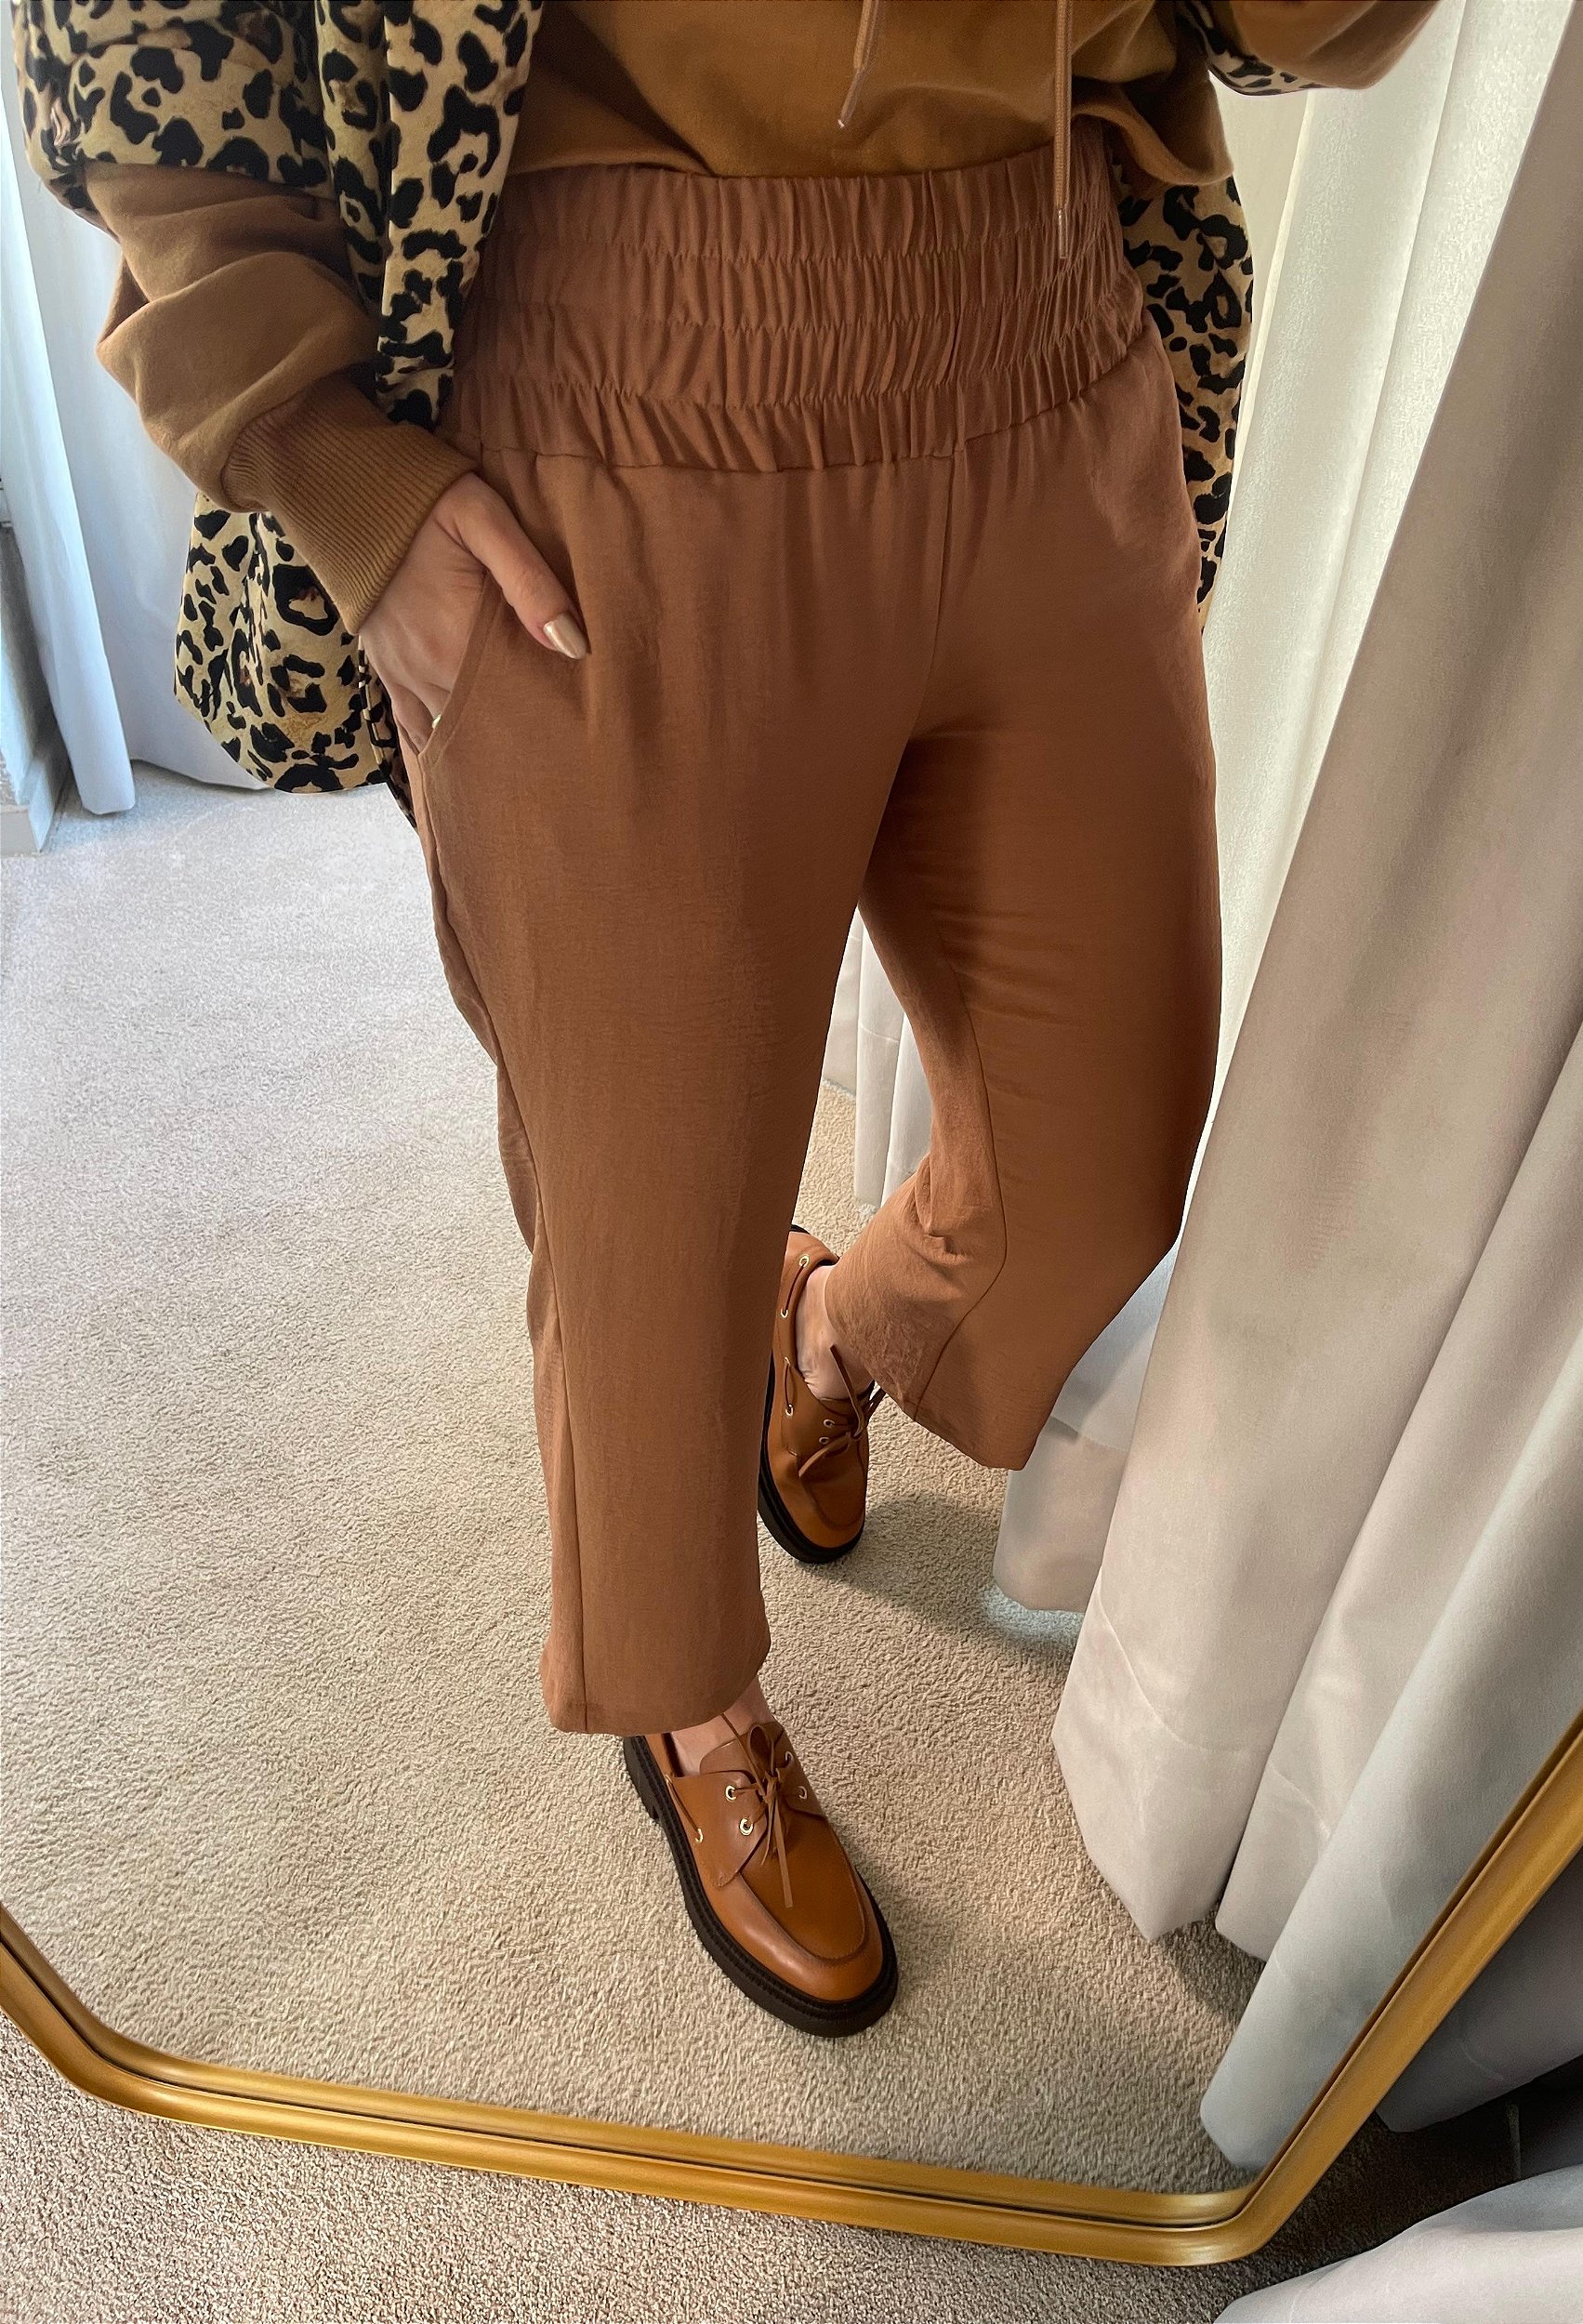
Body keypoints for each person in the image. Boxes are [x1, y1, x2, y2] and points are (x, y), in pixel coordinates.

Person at [17, 0, 1435, 2038]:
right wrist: (327, 464)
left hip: (1051, 330)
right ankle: (692, 1704)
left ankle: (826, 1333)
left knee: (1095, 1164)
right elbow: (133, 31)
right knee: (647, 1222)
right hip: (614, 377)